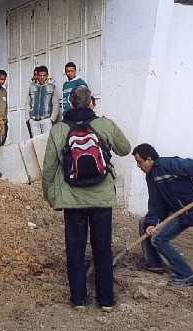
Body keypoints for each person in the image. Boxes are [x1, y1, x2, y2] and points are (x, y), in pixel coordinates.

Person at [42, 86, 131, 312]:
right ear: (91, 102)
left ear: (70, 104)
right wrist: (108, 126)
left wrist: (51, 197)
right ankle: (106, 300)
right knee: (102, 247)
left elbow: (49, 169)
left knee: (75, 248)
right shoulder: (104, 124)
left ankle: (79, 299)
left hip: (72, 199)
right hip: (101, 198)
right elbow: (125, 149)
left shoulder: (59, 129)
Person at [132, 143, 193, 287]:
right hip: (174, 210)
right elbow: (155, 202)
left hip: (190, 211)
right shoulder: (150, 176)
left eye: (139, 162)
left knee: (159, 239)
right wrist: (152, 223)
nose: (138, 166)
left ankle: (187, 275)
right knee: (144, 222)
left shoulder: (169, 164)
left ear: (149, 159)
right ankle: (154, 263)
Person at [26, 65, 59, 136]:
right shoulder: (32, 87)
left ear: (47, 76)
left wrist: (52, 119)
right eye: (40, 75)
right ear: (37, 76)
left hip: (46, 120)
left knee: (46, 143)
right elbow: (28, 103)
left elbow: (56, 104)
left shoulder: (52, 87)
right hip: (34, 121)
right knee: (36, 143)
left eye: (44, 75)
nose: (42, 77)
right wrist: (28, 119)